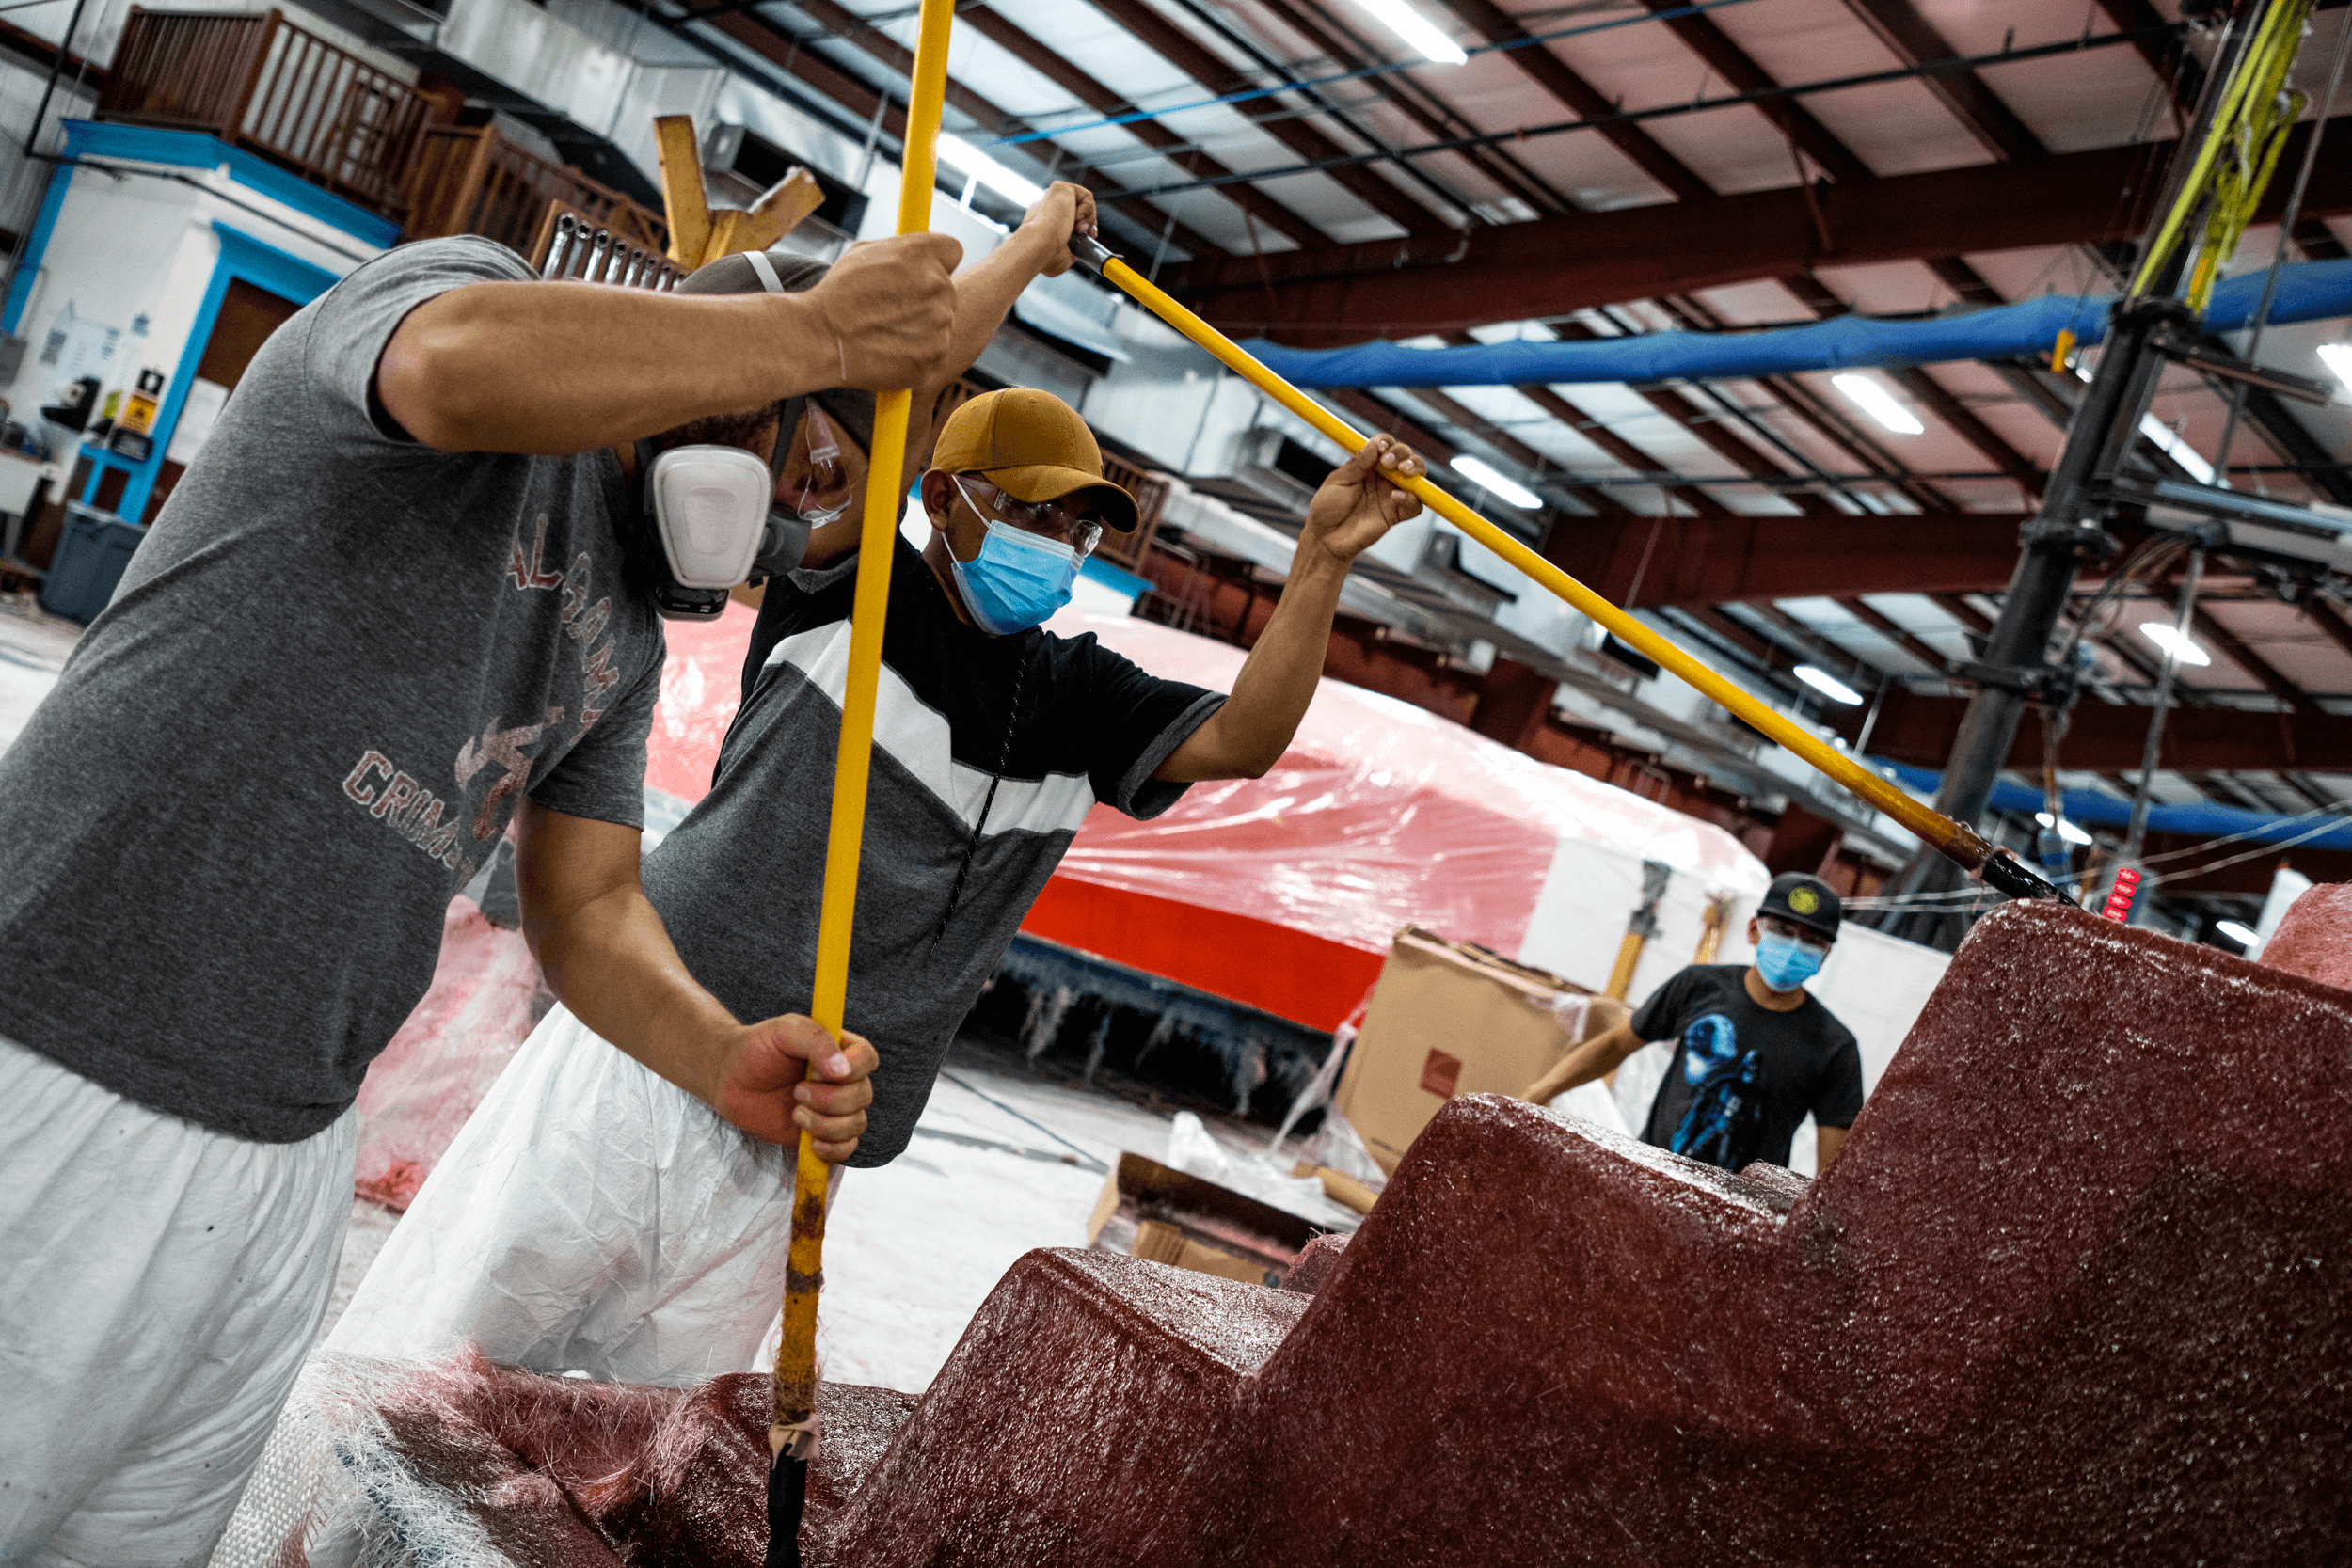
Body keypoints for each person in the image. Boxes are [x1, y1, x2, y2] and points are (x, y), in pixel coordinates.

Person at [0, 221, 971, 1563]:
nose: (791, 525)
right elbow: (454, 369)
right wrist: (827, 328)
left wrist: (723, 1052)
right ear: (733, 362)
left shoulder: (624, 631)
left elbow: (585, 902)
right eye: (809, 465)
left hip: (287, 1148)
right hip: (67, 1049)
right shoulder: (460, 311)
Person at [326, 372, 1428, 1393]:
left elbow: (1241, 736)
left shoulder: (1077, 696)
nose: (1059, 544)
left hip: (806, 1130)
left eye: (1077, 525)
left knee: (630, 1435)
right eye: (1033, 513)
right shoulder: (849, 586)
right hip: (647, 1050)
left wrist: (1322, 557)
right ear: (942, 497)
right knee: (445, 1350)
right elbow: (879, 395)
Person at [1521, 873, 1864, 1173]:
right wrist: (1540, 1092)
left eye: (1811, 941)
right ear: (1753, 929)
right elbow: (1616, 1045)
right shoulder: (1699, 986)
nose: (1793, 947)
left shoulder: (1834, 1046)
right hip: (1651, 1177)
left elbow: (1832, 1166)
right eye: (1783, 930)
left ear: (1825, 954)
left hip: (1740, 1220)